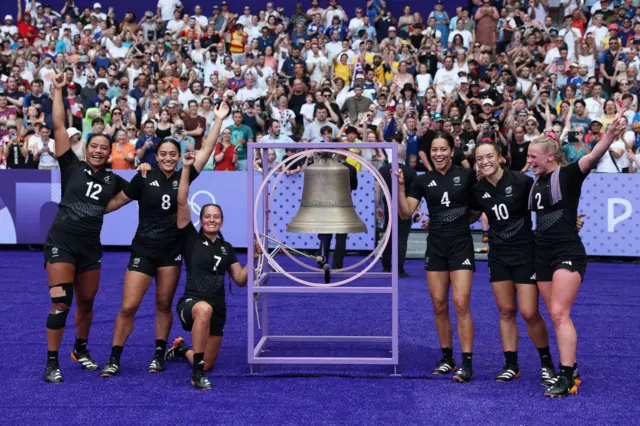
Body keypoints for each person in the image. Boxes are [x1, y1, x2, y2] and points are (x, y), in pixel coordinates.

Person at [98, 102, 229, 378]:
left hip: (171, 252)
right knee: (129, 306)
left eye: (173, 154)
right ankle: (114, 356)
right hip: (143, 249)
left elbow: (206, 150)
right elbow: (115, 203)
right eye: (164, 154)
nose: (169, 158)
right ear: (156, 156)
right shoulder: (143, 176)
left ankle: (159, 354)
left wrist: (217, 120)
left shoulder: (185, 174)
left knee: (162, 304)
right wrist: (86, 207)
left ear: (179, 157)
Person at [527, 117, 626, 398]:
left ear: (550, 155)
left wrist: (608, 136)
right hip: (541, 253)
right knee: (554, 313)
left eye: (533, 156)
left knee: (559, 313)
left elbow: (593, 156)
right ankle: (572, 369)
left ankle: (567, 375)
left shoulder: (569, 175)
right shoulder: (537, 181)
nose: (529, 160)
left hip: (567, 252)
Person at [43, 74, 129, 384]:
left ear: (109, 154)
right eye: (93, 146)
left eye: (103, 148)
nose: (97, 151)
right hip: (61, 243)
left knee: (87, 302)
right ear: (86, 148)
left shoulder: (113, 180)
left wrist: (146, 171)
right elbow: (58, 126)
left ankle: (79, 349)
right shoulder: (70, 164)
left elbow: (129, 195)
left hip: (91, 248)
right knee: (61, 301)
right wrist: (57, 90)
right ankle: (52, 362)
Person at [163, 152, 261, 390]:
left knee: (208, 363)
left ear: (222, 222)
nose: (211, 220)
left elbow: (239, 279)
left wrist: (255, 256)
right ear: (201, 220)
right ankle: (197, 375)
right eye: (207, 216)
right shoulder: (190, 239)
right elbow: (182, 201)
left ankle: (182, 349)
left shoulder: (227, 248)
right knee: (203, 309)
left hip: (219, 310)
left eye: (216, 217)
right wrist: (186, 168)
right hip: (192, 303)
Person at [473, 141, 558, 385]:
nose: (485, 162)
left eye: (489, 156)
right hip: (498, 255)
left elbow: (546, 206)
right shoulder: (477, 189)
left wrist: (569, 222)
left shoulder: (521, 181)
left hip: (525, 254)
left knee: (530, 312)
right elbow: (467, 212)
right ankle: (511, 365)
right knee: (506, 310)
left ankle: (547, 364)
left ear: (500, 157)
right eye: (480, 158)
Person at [397, 132, 479, 383]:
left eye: (443, 149)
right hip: (436, 249)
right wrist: (400, 187)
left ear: (452, 150)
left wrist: (456, 220)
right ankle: (447, 357)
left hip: (461, 246)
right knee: (439, 304)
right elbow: (405, 213)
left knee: (461, 302)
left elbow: (477, 210)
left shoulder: (466, 176)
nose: (439, 154)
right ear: (428, 153)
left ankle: (467, 363)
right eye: (434, 150)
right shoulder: (423, 181)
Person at [376, 143, 417, 277]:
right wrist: (417, 210)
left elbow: (377, 190)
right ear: (404, 155)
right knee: (402, 238)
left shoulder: (383, 169)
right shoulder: (411, 172)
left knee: (388, 237)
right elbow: (415, 194)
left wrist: (378, 206)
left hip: (388, 207)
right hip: (405, 207)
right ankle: (398, 268)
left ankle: (386, 266)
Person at [318, 151, 358, 270]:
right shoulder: (351, 168)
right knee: (341, 238)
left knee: (325, 236)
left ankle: (321, 262)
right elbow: (354, 186)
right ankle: (337, 265)